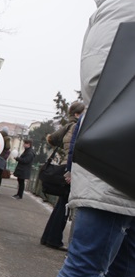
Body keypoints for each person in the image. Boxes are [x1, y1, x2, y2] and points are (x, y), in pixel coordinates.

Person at [21, 0, 135, 277]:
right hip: (118, 156)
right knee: (87, 265)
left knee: (123, 264)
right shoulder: (128, 3)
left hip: (122, 157)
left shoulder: (123, 2)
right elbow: (103, 79)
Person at [39, 102, 85, 250]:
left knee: (61, 204)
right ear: (77, 114)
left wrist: (63, 150)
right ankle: (54, 239)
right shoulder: (79, 126)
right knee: (64, 206)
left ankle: (48, 237)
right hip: (72, 168)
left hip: (64, 166)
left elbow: (51, 139)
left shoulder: (68, 126)